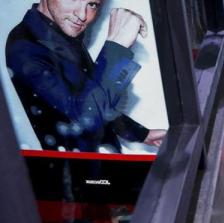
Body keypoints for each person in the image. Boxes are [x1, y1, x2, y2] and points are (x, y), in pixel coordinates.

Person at [5, 0, 166, 153]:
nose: (82, 15)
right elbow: (85, 117)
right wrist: (116, 48)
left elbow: (91, 96)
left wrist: (141, 134)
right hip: (77, 173)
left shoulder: (60, 31)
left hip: (103, 164)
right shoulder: (24, 46)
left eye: (92, 4)